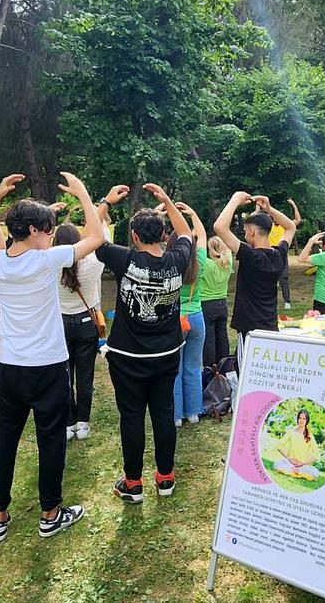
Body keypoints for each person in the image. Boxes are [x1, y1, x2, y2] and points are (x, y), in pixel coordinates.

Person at [0, 172, 103, 543]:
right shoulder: (47, 261)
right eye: (46, 230)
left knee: (5, 439)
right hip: (47, 366)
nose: (50, 236)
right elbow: (95, 237)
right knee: (50, 439)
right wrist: (83, 193)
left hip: (11, 368)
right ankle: (50, 513)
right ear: (32, 230)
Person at [95, 185, 193, 504]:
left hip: (127, 357)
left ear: (134, 237)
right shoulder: (177, 259)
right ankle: (166, 478)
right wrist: (166, 201)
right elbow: (187, 233)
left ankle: (133, 483)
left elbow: (94, 235)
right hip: (166, 354)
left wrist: (107, 202)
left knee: (132, 416)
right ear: (164, 235)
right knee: (163, 413)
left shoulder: (124, 259)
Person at [56, 186, 122, 442]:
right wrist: (103, 202)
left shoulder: (49, 264)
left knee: (63, 376)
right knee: (85, 376)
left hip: (60, 324)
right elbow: (100, 233)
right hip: (86, 323)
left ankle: (68, 421)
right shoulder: (93, 263)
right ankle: (82, 422)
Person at [213, 192, 296, 367]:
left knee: (245, 375)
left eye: (245, 231)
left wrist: (235, 199)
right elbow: (290, 227)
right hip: (270, 326)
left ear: (251, 231)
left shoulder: (250, 256)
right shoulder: (278, 254)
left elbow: (220, 227)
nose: (244, 235)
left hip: (249, 330)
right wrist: (270, 208)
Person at [170, 202, 208, 427]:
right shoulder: (200, 261)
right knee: (194, 367)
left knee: (175, 368)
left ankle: (176, 415)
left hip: (175, 320)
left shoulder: (170, 262)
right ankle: (194, 412)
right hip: (196, 318)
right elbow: (201, 235)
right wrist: (193, 214)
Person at [201, 236, 234, 366]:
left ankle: (211, 366)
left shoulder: (205, 263)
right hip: (222, 303)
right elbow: (227, 251)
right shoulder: (227, 262)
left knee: (209, 338)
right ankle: (224, 364)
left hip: (207, 304)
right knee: (222, 336)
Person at [268, 198, 301, 310]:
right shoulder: (269, 225)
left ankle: (287, 301)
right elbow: (256, 216)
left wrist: (294, 205)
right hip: (269, 254)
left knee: (284, 279)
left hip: (281, 255)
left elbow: (298, 219)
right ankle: (270, 301)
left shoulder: (285, 226)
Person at [272, 410, 321, 481]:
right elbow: (279, 446)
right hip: (290, 463)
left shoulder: (309, 435)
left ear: (307, 420)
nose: (301, 420)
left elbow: (317, 455)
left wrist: (303, 463)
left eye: (304, 419)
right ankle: (296, 471)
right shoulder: (291, 432)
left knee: (315, 473)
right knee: (276, 465)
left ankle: (295, 471)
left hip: (302, 466)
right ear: (297, 419)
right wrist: (289, 458)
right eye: (300, 418)